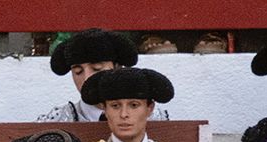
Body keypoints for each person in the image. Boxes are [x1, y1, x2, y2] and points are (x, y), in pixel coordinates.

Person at [38, 28, 170, 122]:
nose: (87, 78)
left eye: (97, 69)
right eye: (78, 71)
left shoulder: (151, 117)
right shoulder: (58, 120)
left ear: (117, 67)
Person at [80, 68, 188, 142]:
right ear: (105, 110)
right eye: (115, 106)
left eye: (134, 105)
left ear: (150, 108)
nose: (124, 114)